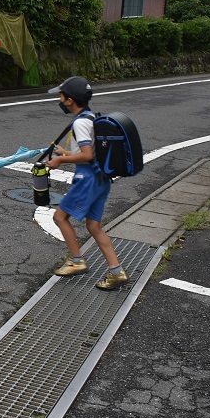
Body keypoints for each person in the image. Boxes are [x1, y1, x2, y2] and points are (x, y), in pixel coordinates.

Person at [45, 76, 129, 290]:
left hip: (88, 179)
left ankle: (77, 260)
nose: (60, 100)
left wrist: (60, 160)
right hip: (101, 179)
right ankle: (116, 271)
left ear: (70, 100)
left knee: (59, 216)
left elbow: (87, 155)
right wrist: (65, 152)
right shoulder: (91, 117)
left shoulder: (80, 121)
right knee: (93, 226)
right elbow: (90, 150)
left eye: (62, 96)